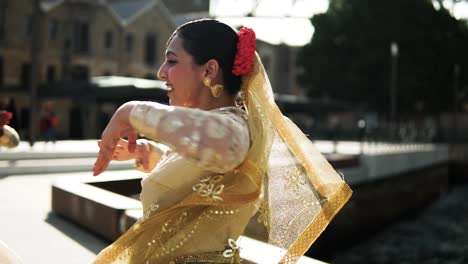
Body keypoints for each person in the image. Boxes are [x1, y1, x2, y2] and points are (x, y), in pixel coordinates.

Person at [93, 19, 352, 264]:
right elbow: (204, 174)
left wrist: (131, 111)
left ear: (209, 70)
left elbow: (224, 147)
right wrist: (150, 154)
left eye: (172, 61)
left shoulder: (233, 129)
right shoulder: (214, 130)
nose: (161, 73)